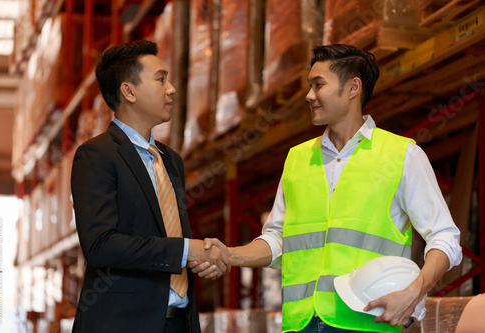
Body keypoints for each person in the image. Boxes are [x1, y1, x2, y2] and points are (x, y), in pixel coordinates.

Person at [192, 44, 462, 333]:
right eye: (310, 85)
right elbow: (279, 240)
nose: (309, 95)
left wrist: (415, 291)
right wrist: (230, 255)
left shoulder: (402, 155)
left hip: (366, 324)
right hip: (301, 324)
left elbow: (445, 237)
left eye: (318, 85)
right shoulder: (297, 158)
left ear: (353, 88)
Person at [71, 40, 229, 333]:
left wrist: (200, 261)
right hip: (123, 324)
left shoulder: (171, 161)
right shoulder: (97, 155)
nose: (171, 89)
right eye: (160, 79)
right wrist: (186, 251)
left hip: (177, 323)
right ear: (128, 91)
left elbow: (167, 236)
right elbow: (100, 245)